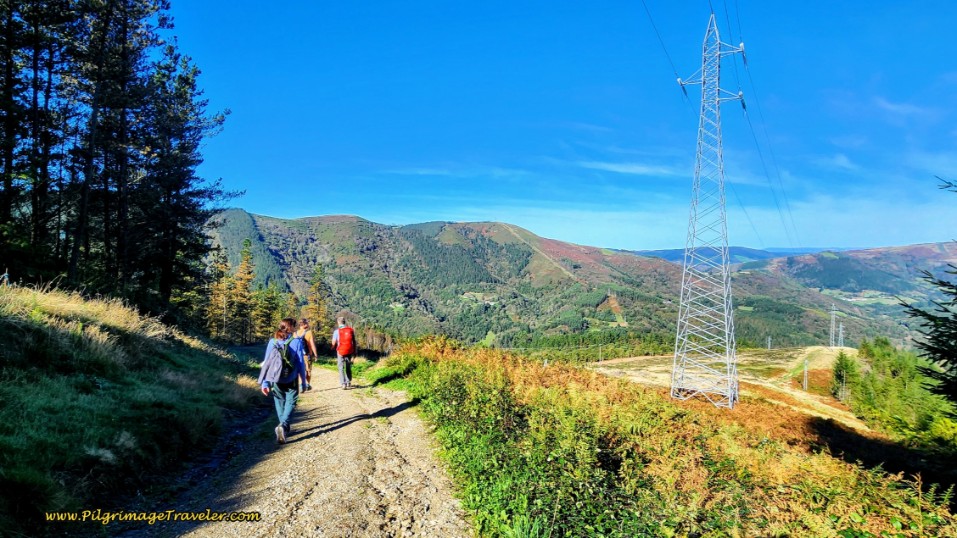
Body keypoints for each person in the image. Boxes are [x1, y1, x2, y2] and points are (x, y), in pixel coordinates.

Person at [257, 318, 307, 444]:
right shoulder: (296, 342)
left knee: (279, 401)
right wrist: (304, 382)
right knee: (291, 401)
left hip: (276, 378)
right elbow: (301, 364)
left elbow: (266, 364)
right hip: (292, 378)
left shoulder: (272, 342)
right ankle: (283, 426)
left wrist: (265, 382)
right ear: (291, 328)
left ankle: (283, 426)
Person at [331, 316, 357, 389]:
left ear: (338, 322)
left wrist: (332, 347)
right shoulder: (350, 330)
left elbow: (333, 342)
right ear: (344, 322)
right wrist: (354, 351)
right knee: (348, 366)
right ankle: (348, 382)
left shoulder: (336, 331)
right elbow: (354, 341)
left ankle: (343, 384)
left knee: (341, 367)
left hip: (340, 351)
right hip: (349, 350)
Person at [294, 318, 318, 391]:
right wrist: (315, 354)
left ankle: (300, 384)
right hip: (307, 355)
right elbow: (312, 344)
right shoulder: (309, 332)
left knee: (299, 370)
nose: (308, 324)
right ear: (304, 324)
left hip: (297, 355)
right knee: (308, 370)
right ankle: (307, 384)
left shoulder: (296, 333)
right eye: (307, 323)